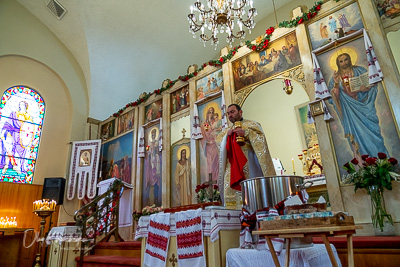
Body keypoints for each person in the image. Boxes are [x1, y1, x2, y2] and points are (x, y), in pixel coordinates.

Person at [327, 53, 389, 160]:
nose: (344, 63)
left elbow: (372, 84)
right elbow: (333, 98)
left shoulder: (360, 70)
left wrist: (364, 89)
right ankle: (364, 164)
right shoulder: (335, 78)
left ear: (350, 59)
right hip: (349, 112)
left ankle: (382, 161)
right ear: (338, 64)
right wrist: (336, 84)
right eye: (341, 61)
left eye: (346, 59)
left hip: (364, 108)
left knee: (373, 134)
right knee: (356, 137)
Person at [216, 104, 276, 208]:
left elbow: (261, 140)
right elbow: (219, 143)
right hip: (232, 166)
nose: (230, 115)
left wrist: (247, 133)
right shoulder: (225, 131)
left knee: (252, 193)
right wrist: (227, 137)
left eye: (232, 112)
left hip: (250, 163)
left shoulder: (253, 125)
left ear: (240, 112)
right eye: (228, 113)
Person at [0, 101, 34, 174]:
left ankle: (17, 167)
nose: (21, 106)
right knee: (9, 150)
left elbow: (29, 128)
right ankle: (6, 165)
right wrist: (4, 131)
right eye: (20, 104)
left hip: (23, 137)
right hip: (13, 134)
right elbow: (8, 123)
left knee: (18, 153)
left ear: (26, 106)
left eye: (23, 105)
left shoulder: (28, 116)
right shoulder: (14, 114)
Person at [200, 107, 220, 181]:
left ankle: (217, 182)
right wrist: (206, 141)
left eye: (212, 112)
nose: (211, 114)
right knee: (210, 165)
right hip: (208, 147)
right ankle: (211, 183)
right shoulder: (204, 125)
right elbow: (202, 137)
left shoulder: (215, 123)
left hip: (215, 146)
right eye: (210, 112)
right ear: (207, 113)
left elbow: (218, 132)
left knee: (216, 164)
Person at [145, 128, 161, 206]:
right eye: (152, 135)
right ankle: (152, 202)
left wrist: (156, 151)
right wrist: (149, 153)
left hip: (156, 164)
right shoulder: (150, 144)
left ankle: (157, 200)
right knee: (151, 185)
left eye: (154, 134)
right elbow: (148, 155)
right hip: (151, 166)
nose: (153, 136)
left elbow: (158, 152)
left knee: (156, 184)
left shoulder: (157, 143)